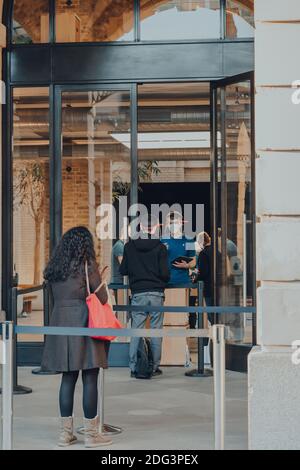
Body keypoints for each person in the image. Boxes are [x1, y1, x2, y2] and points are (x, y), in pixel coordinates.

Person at [41, 226, 112, 448]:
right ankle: (91, 436)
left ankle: (65, 434)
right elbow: (100, 296)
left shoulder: (55, 268)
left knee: (68, 378)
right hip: (84, 321)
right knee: (90, 377)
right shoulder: (86, 264)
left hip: (61, 322)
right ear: (85, 245)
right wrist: (103, 281)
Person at [119, 214, 170, 378]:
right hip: (156, 294)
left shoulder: (129, 246)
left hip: (138, 294)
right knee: (156, 330)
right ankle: (154, 366)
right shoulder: (161, 247)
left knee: (136, 331)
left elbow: (123, 270)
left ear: (140, 226)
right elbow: (165, 274)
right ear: (155, 227)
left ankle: (134, 366)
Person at [161, 211, 196, 285]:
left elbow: (193, 261)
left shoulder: (189, 240)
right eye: (170, 223)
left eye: (176, 223)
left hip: (183, 282)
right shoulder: (162, 240)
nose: (173, 225)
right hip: (165, 282)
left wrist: (187, 265)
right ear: (167, 225)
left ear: (181, 223)